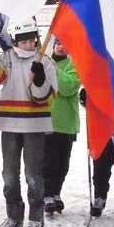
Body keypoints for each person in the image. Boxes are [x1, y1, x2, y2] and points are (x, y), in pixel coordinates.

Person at [0, 19, 57, 227]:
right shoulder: (7, 58)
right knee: (9, 175)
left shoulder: (45, 61)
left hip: (35, 125)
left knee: (33, 175)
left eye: (30, 41)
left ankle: (35, 218)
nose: (27, 45)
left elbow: (49, 97)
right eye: (22, 41)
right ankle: (14, 216)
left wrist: (40, 80)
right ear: (15, 42)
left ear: (36, 39)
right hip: (9, 123)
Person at [42, 38, 81, 216]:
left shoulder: (74, 65)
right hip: (47, 121)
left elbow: (68, 87)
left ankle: (56, 193)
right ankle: (47, 194)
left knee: (62, 164)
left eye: (66, 44)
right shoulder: (42, 63)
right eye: (58, 44)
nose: (61, 47)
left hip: (66, 124)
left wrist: (53, 68)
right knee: (48, 162)